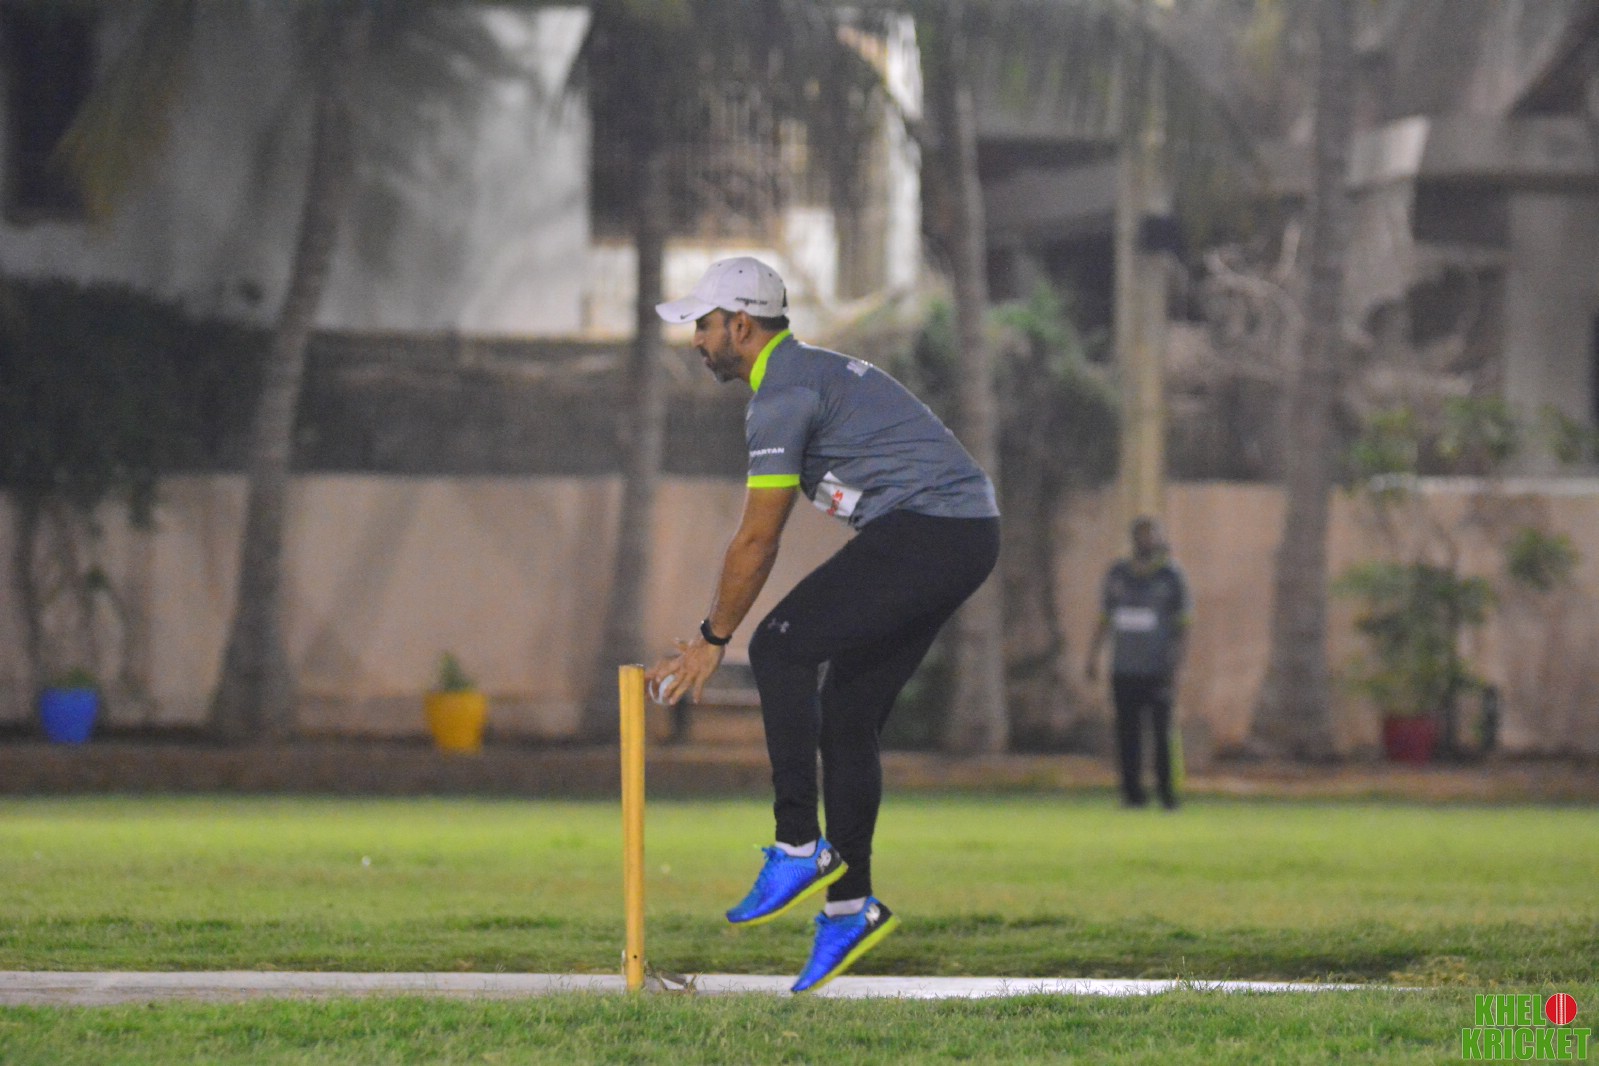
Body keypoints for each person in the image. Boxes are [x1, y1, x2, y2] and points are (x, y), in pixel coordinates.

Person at [644, 256, 999, 993]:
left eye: (704, 326)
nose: (697, 341)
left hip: (933, 530)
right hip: (959, 532)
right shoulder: (806, 374)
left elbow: (756, 540)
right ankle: (849, 906)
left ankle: (799, 843)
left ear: (742, 325)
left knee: (778, 647)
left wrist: (711, 640)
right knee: (847, 712)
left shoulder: (784, 393)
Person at [1085, 516, 1191, 810]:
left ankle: (1168, 795)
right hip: (1124, 668)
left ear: (1159, 538)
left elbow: (1183, 626)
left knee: (1162, 734)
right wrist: (1093, 657)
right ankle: (1132, 795)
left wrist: (1178, 665)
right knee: (1127, 734)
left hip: (1159, 669)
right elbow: (1104, 618)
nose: (1146, 540)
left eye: (1151, 535)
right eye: (1141, 535)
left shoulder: (1171, 576)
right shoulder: (1118, 574)